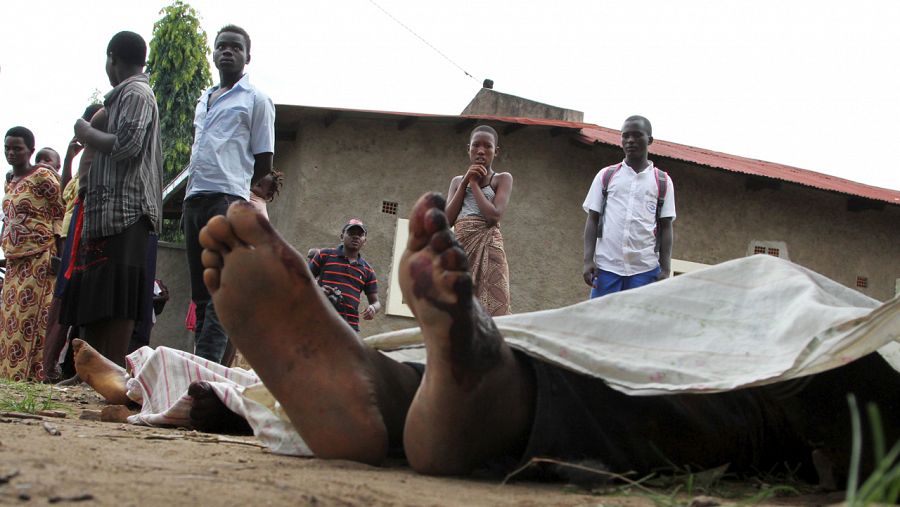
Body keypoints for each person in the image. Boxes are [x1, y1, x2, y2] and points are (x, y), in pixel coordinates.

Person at [190, 193, 898, 481]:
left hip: (797, 341)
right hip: (785, 333)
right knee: (685, 379)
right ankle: (433, 384)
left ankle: (432, 382)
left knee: (662, 369)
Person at [61, 31, 163, 369]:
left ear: (112, 58)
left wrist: (86, 132)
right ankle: (90, 371)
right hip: (106, 214)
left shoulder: (137, 93)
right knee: (98, 293)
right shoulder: (120, 98)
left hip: (127, 211)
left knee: (119, 296)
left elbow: (128, 146)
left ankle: (111, 372)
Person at [182, 24, 275, 364]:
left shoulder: (256, 100)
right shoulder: (203, 99)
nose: (227, 51)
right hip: (195, 199)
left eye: (235, 47)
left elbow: (264, 160)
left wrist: (239, 194)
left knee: (219, 289)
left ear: (247, 56)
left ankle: (206, 367)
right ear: (213, 53)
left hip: (227, 199)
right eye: (222, 46)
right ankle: (200, 365)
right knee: (200, 291)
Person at [42, 104, 105, 380]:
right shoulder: (83, 164)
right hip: (69, 236)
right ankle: (48, 367)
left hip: (83, 234)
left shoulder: (99, 160)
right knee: (62, 301)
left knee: (70, 301)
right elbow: (66, 191)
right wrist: (69, 157)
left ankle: (60, 366)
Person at [583, 115, 675, 298]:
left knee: (637, 325)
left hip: (645, 270)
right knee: (599, 323)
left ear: (649, 140)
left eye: (637, 135)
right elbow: (592, 219)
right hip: (607, 268)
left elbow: (666, 227)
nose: (630, 140)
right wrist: (587, 260)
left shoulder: (662, 181)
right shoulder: (606, 176)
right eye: (625, 136)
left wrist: (666, 268)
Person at [0, 127, 65, 381]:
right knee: (9, 317)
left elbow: (60, 211)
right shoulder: (10, 182)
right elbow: (9, 218)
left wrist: (60, 252)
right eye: (7, 148)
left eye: (17, 148)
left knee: (31, 316)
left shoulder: (43, 177)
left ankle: (33, 373)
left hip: (39, 255)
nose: (11, 152)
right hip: (14, 259)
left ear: (31, 150)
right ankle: (9, 374)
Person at [444, 125, 513, 316]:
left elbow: (493, 216)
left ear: (495, 151)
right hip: (461, 251)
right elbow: (447, 220)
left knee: (493, 307)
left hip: (489, 249)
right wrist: (466, 181)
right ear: (469, 148)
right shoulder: (457, 182)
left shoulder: (502, 179)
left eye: (487, 146)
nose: (481, 151)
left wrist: (474, 184)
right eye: (476, 146)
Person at [308, 219, 380, 332]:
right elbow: (303, 279)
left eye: (360, 235)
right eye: (351, 233)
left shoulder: (368, 270)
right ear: (342, 236)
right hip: (319, 320)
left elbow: (376, 302)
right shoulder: (324, 255)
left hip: (349, 328)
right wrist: (318, 289)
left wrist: (373, 308)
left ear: (364, 241)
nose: (356, 237)